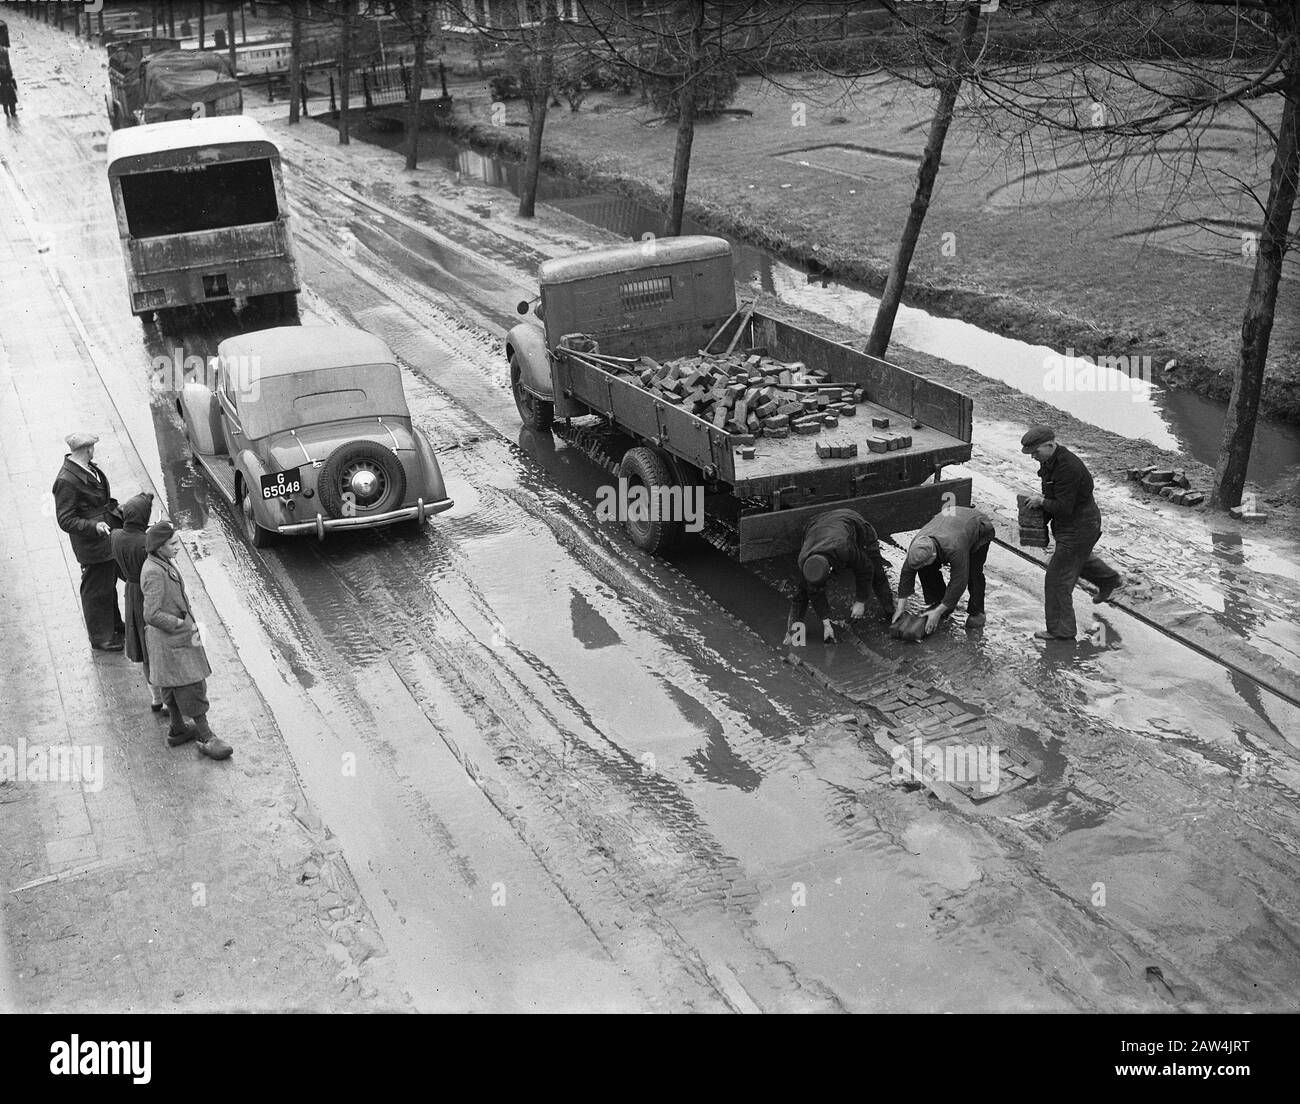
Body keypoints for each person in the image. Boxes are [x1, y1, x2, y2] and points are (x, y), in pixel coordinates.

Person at [141, 521, 233, 760]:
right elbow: (150, 614)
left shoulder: (159, 563)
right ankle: (205, 736)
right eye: (173, 544)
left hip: (175, 641)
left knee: (171, 684)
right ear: (160, 547)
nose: (177, 547)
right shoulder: (153, 572)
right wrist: (178, 623)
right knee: (192, 684)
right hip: (174, 640)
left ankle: (177, 728)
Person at [1021, 425, 1123, 640]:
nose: (1033, 458)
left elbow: (1064, 507)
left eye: (1036, 452)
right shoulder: (1051, 461)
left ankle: (1062, 631)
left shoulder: (1069, 467)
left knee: (1057, 580)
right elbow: (1055, 494)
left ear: (1050, 445)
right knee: (1078, 560)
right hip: (1073, 525)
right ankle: (1108, 579)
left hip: (1080, 526)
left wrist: (1041, 502)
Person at [53, 432, 125, 652]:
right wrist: (93, 527)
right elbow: (65, 519)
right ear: (88, 449)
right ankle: (100, 637)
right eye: (92, 447)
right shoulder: (66, 480)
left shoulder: (87, 469)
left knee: (107, 582)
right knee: (96, 589)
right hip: (93, 543)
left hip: (105, 537)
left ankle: (113, 624)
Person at [784, 507, 895, 645]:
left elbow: (866, 569)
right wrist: (826, 624)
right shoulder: (805, 562)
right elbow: (813, 592)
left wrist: (860, 601)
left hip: (853, 521)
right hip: (817, 523)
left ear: (831, 569)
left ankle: (892, 613)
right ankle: (794, 633)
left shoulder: (845, 548)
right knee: (803, 591)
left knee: (876, 572)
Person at [893, 505, 996, 635]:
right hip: (950, 522)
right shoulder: (918, 544)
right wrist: (900, 608)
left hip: (978, 526)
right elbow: (907, 572)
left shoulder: (955, 548)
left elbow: (959, 581)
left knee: (972, 573)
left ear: (934, 556)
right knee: (924, 568)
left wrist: (939, 611)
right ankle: (940, 603)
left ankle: (977, 612)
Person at [110, 492, 168, 714]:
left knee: (144, 651)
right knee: (157, 647)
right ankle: (168, 698)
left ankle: (155, 698)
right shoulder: (147, 543)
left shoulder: (115, 536)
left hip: (131, 593)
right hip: (150, 595)